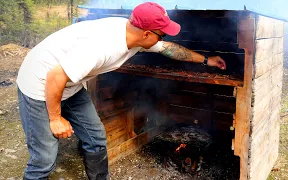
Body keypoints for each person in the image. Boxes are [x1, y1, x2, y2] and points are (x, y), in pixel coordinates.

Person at [16, 2, 226, 180]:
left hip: (69, 84)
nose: (161, 39)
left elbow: (169, 49)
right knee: (44, 158)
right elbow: (55, 77)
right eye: (160, 35)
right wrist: (55, 118)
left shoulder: (134, 34)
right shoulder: (103, 47)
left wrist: (207, 60)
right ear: (146, 33)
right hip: (40, 84)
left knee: (96, 138)